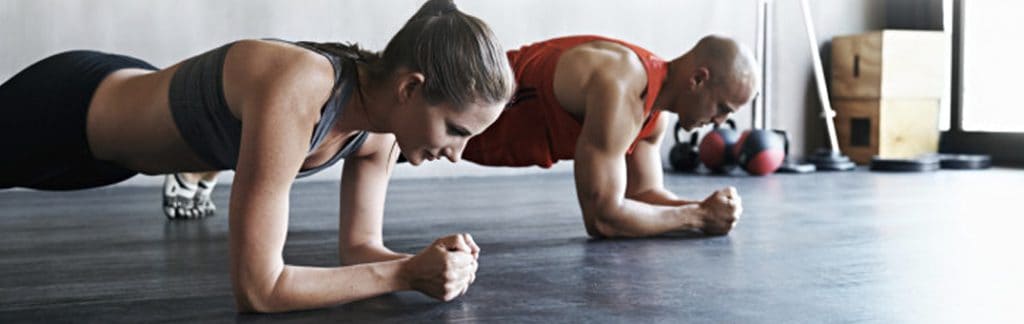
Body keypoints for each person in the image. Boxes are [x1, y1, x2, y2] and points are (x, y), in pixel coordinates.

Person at [0, 0, 514, 313]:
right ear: (410, 88)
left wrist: (428, 265)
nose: (456, 154)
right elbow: (259, 289)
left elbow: (358, 250)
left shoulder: (378, 135)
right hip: (69, 110)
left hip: (107, 161)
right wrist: (405, 276)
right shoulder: (302, 84)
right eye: (455, 129)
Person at [460, 35, 759, 238]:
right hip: (445, 109)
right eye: (722, 108)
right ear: (697, 79)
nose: (720, 122)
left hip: (455, 137)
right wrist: (698, 217)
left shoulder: (654, 115)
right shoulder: (621, 85)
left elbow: (642, 197)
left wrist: (705, 208)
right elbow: (603, 218)